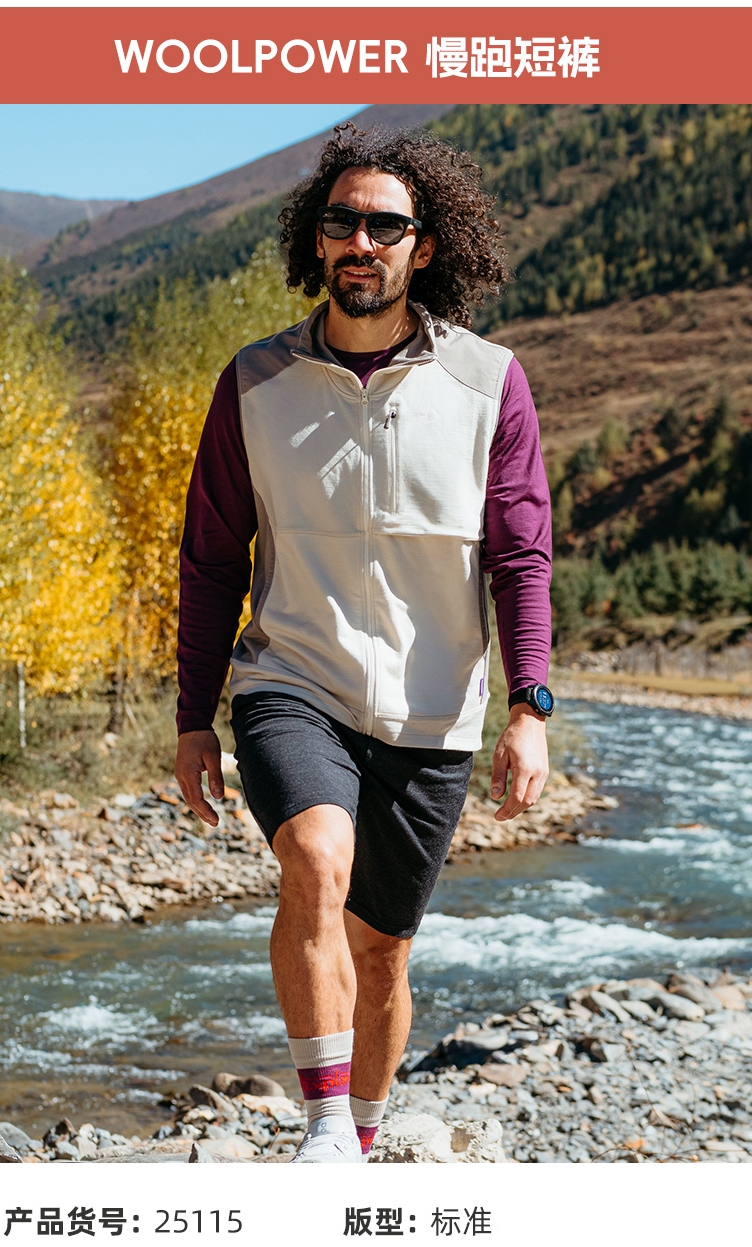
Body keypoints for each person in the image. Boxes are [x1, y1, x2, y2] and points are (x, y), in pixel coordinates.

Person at [175, 122, 553, 1163]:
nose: (361, 241)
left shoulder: (488, 382)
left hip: (433, 707)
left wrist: (528, 705)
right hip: (293, 678)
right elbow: (211, 559)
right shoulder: (254, 382)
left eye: (385, 226)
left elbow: (521, 556)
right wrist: (194, 717)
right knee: (313, 857)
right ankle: (324, 1126)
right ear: (317, 237)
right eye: (342, 221)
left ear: (421, 247)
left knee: (383, 951)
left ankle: (363, 1146)